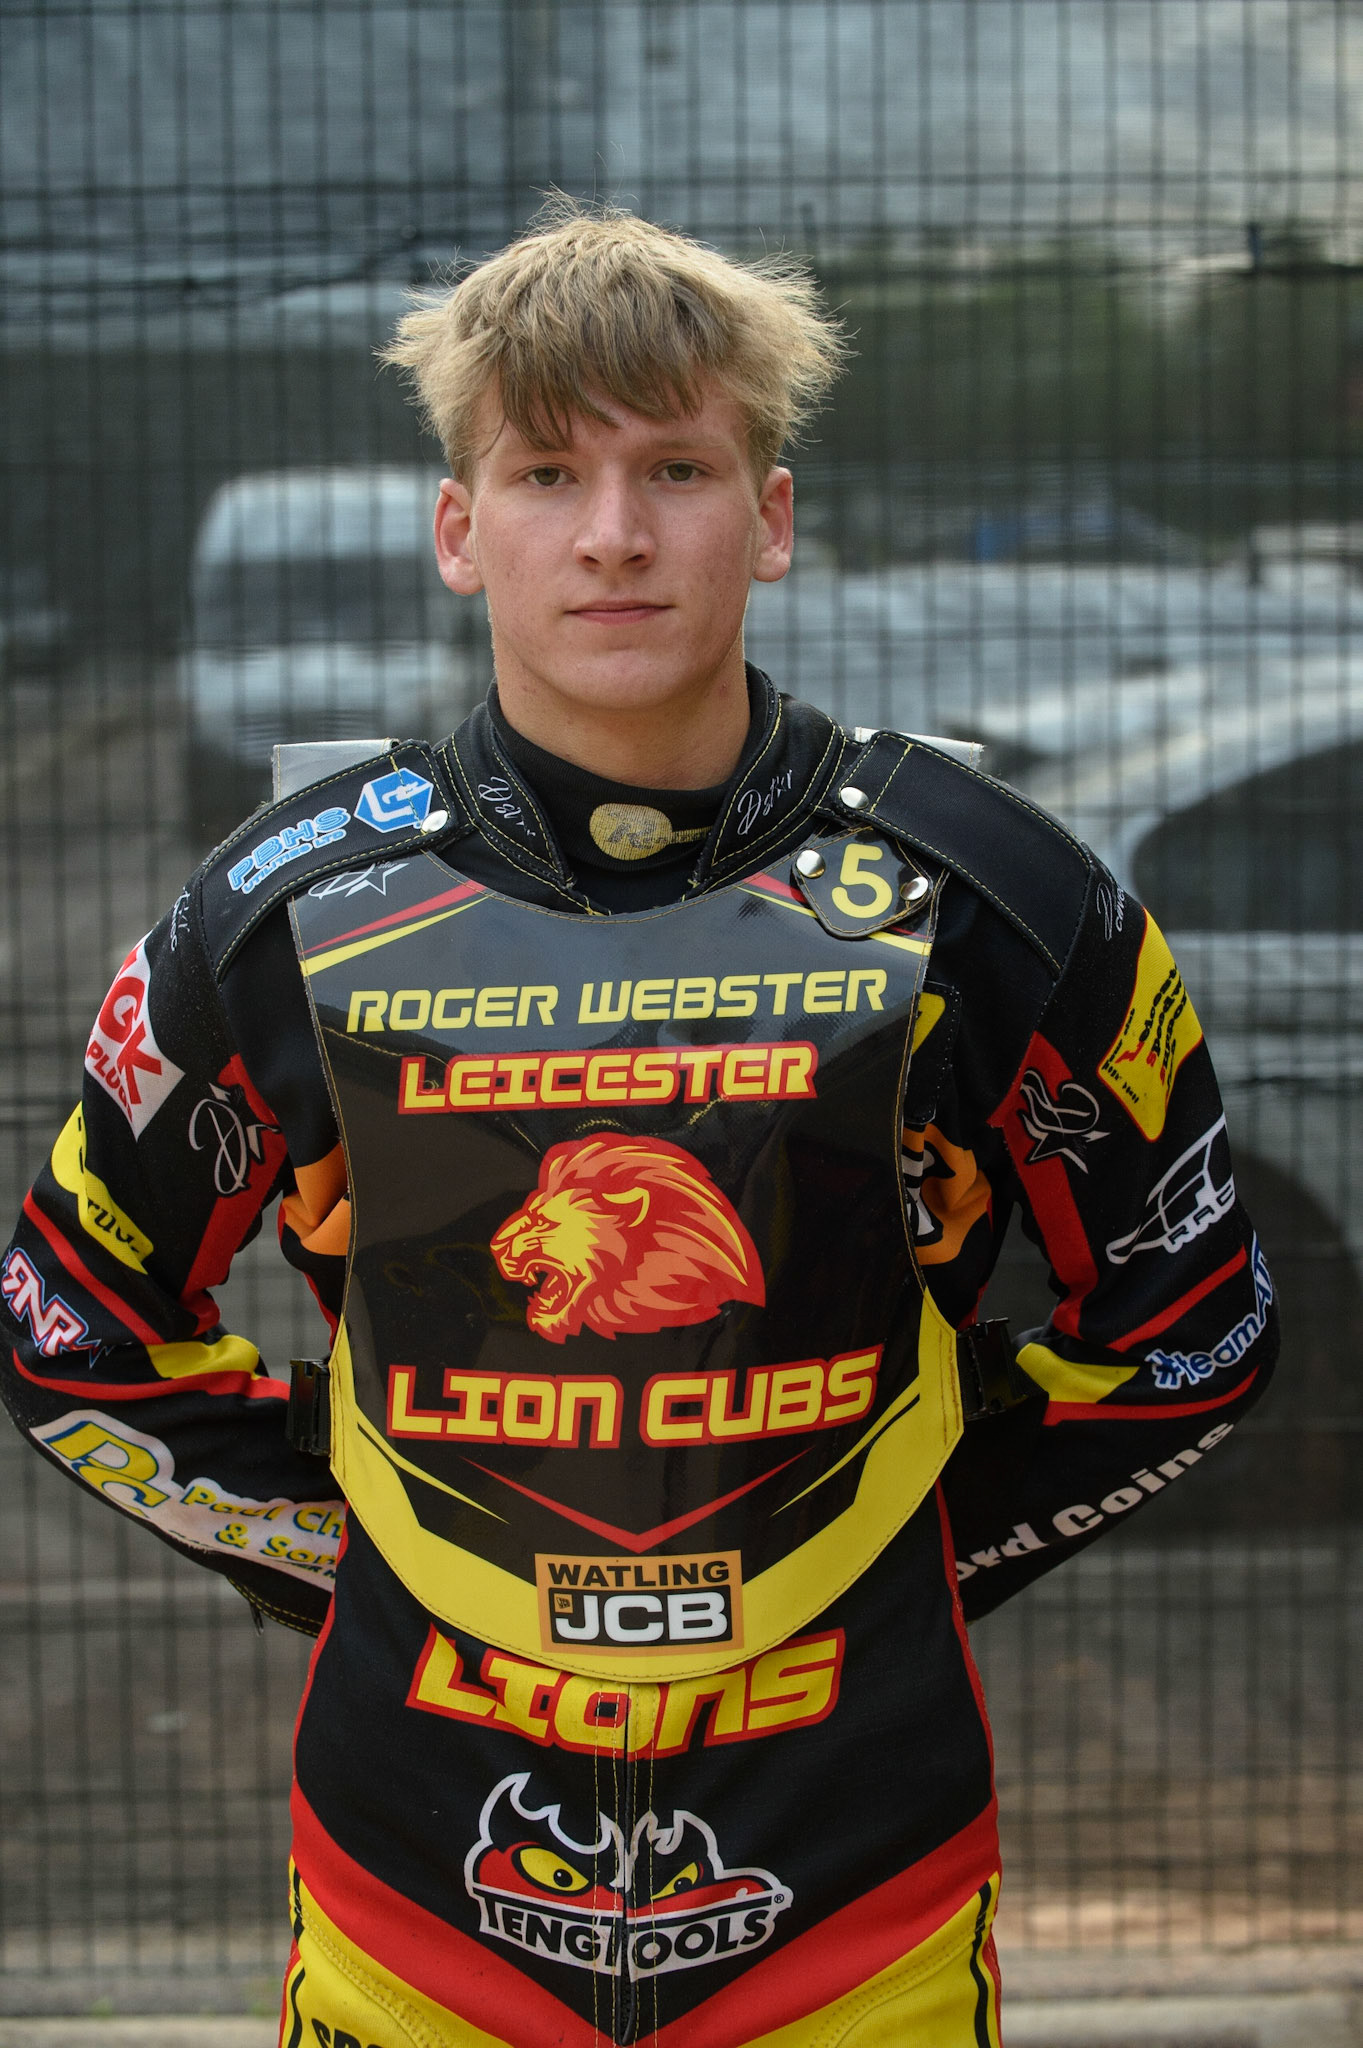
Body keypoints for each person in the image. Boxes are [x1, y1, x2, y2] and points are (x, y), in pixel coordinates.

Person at [0, 201, 1277, 2048]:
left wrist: (902, 1543)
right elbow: (68, 1337)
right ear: (459, 528)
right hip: (410, 1902)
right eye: (544, 472)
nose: (611, 533)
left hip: (864, 1901)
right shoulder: (286, 910)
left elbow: (1198, 1335)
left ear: (769, 513)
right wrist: (363, 1544)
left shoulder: (987, 894)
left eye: (675, 466)